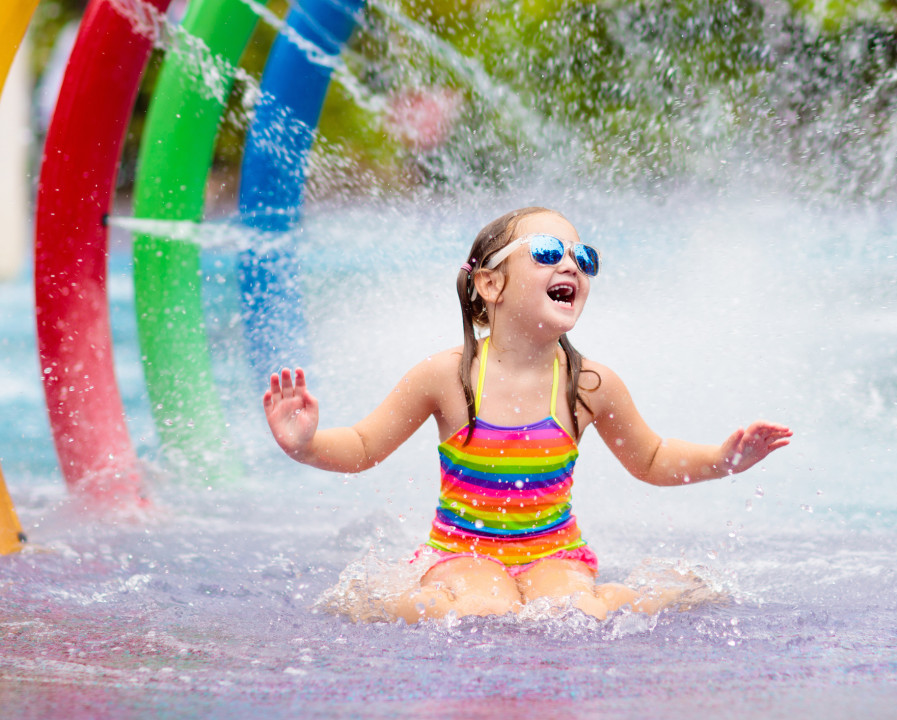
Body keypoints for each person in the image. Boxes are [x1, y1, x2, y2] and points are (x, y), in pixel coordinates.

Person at [264, 207, 792, 623]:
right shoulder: (446, 377)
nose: (570, 265)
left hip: (555, 552)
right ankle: (382, 603)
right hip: (463, 551)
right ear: (491, 285)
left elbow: (651, 459)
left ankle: (636, 597)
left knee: (574, 613)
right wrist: (305, 446)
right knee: (484, 611)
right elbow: (362, 446)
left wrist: (724, 459)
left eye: (583, 257)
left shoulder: (590, 385)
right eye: (545, 252)